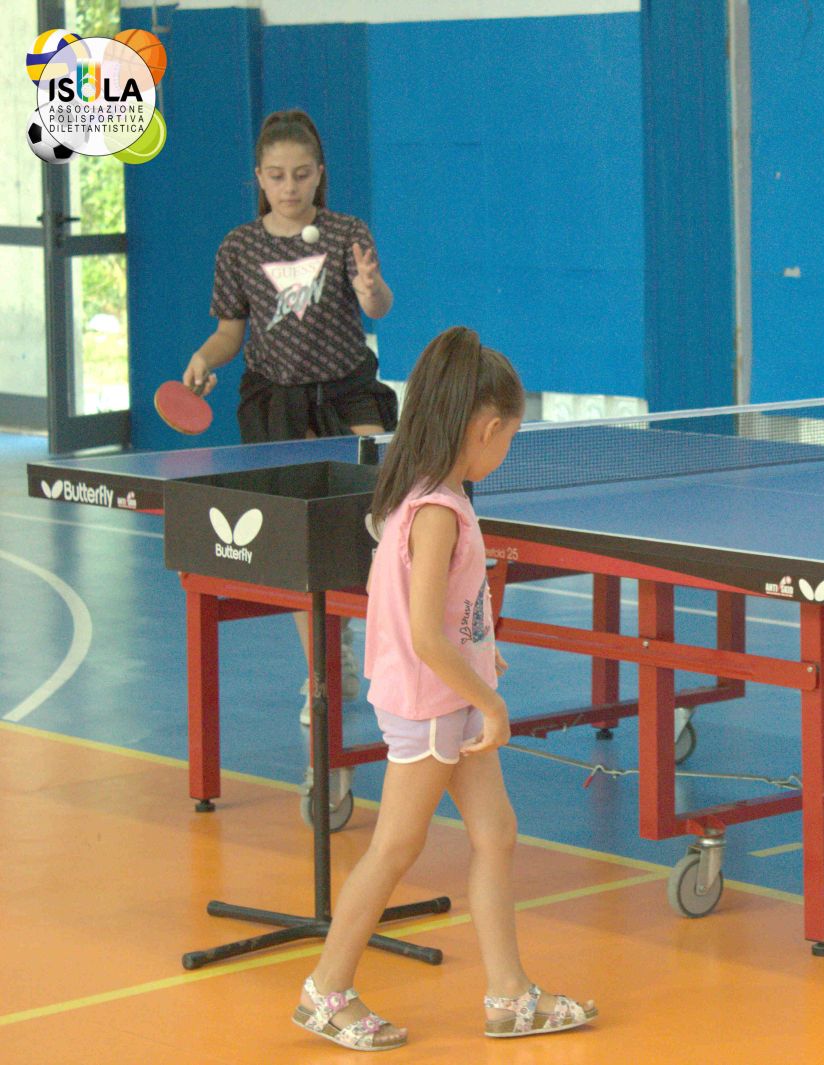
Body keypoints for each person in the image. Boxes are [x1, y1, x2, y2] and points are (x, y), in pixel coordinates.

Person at [292, 327, 597, 1049]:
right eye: (509, 437)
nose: (506, 450)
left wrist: (484, 658)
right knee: (396, 845)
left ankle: (509, 995)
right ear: (486, 428)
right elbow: (426, 635)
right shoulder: (436, 510)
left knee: (496, 833)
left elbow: (448, 618)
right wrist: (489, 700)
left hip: (450, 696)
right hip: (433, 705)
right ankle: (325, 991)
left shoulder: (433, 493)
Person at [182, 108, 398, 726]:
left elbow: (379, 306)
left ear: (319, 173)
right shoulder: (239, 246)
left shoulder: (346, 231)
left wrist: (369, 288)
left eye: (302, 174)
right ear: (259, 177)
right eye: (277, 175)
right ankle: (323, 671)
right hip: (275, 399)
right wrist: (203, 358)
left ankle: (378, 634)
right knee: (299, 539)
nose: (290, 186)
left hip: (348, 390)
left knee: (382, 504)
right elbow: (230, 333)